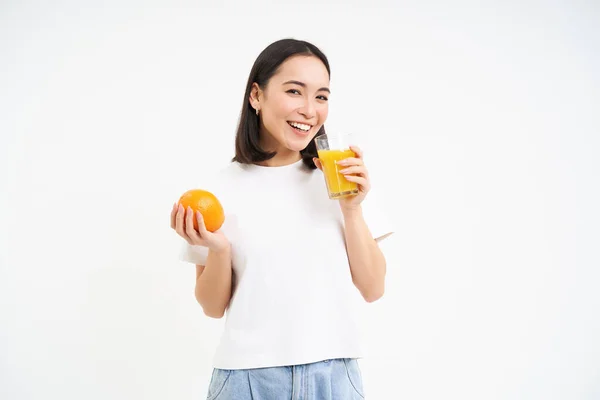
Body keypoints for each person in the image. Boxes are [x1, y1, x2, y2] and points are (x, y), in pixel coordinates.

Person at [170, 38, 394, 400]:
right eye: (294, 91)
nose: (309, 109)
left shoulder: (339, 178)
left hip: (333, 377)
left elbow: (373, 288)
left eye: (321, 96)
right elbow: (212, 307)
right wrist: (219, 249)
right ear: (256, 96)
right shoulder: (218, 190)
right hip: (246, 381)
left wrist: (352, 210)